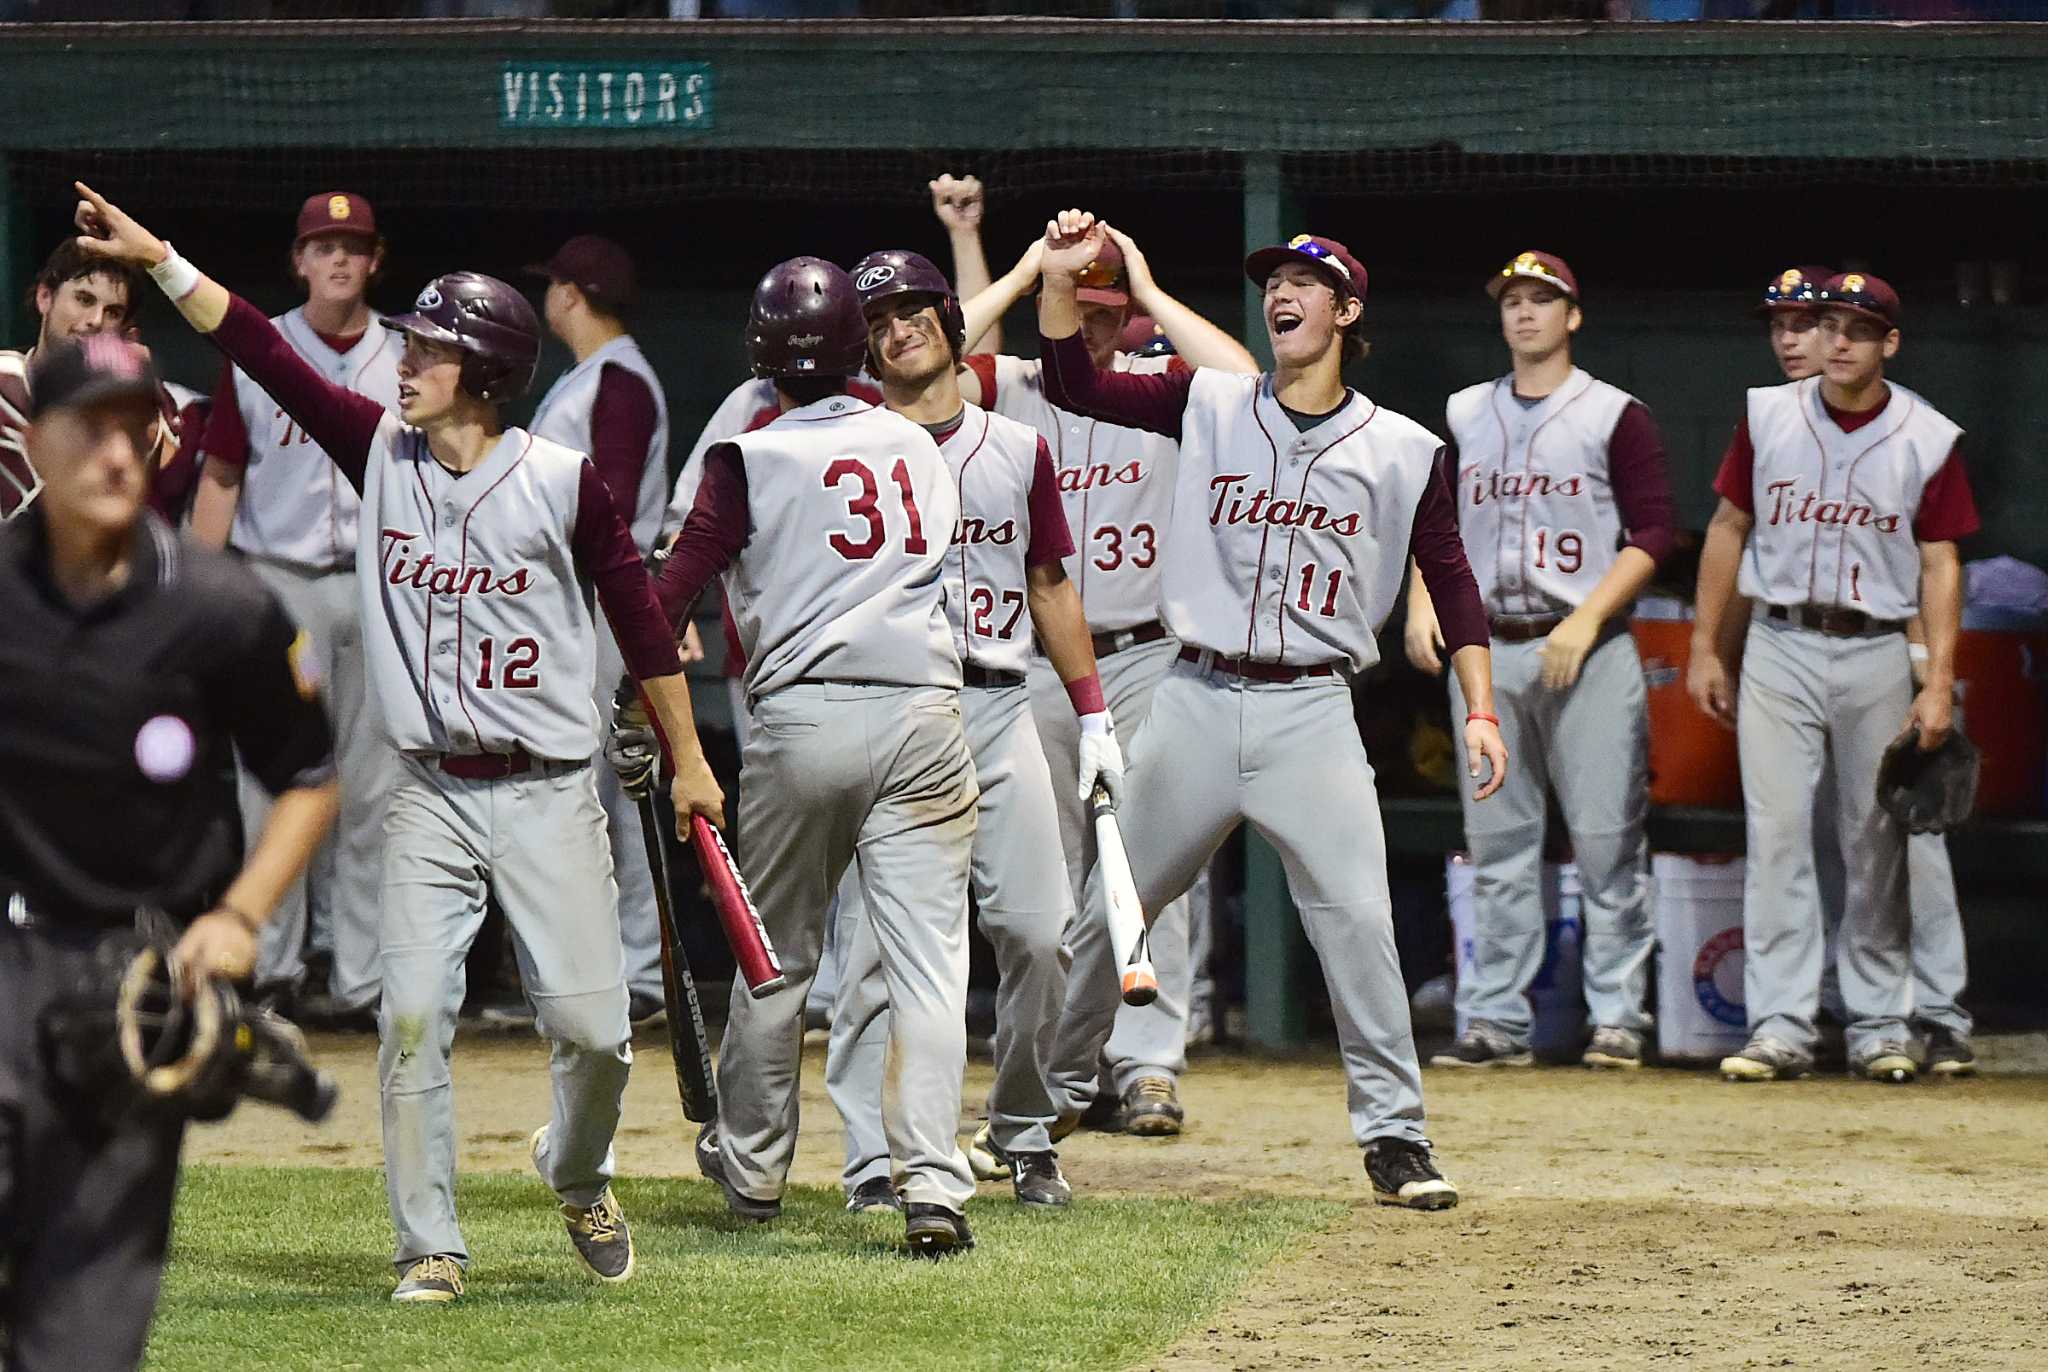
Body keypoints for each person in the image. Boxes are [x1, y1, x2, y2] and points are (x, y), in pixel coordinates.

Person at [72, 181, 722, 1299]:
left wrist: (692, 760)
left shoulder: (562, 484)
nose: (403, 363)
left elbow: (644, 623)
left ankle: (574, 1170)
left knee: (594, 1033)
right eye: (408, 343)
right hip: (425, 789)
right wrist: (164, 256)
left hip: (549, 788)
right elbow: (264, 356)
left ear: (480, 370)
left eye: (427, 349)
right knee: (412, 1015)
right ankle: (429, 1240)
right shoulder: (377, 448)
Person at [1033, 213, 1506, 1207]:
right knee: (1103, 918)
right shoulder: (1207, 402)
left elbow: (1451, 578)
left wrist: (1478, 707)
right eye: (1272, 283)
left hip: (1311, 713)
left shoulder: (1404, 448)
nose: (1280, 294)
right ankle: (1043, 1107)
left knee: (1359, 927)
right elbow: (1077, 384)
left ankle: (1395, 1137)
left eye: (1304, 282)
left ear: (1344, 311)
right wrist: (1096, 287)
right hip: (1195, 695)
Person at [0, 332, 338, 1371]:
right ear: (34, 442)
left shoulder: (218, 608)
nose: (113, 454)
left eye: (131, 429)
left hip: (135, 989)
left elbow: (311, 776)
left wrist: (239, 917)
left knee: (83, 1338)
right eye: (85, 428)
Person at [653, 257, 982, 1255]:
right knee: (930, 968)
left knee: (775, 958)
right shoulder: (922, 445)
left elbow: (664, 600)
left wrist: (650, 719)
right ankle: (933, 1187)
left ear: (762, 356)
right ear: (856, 348)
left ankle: (753, 1173)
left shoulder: (746, 457)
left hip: (802, 721)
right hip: (927, 714)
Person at [946, 190, 1258, 1136]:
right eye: (1077, 303)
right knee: (1045, 876)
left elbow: (1246, 379)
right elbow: (924, 361)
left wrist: (1149, 290)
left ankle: (1151, 1063)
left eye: (1107, 305)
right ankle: (1054, 1065)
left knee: (1152, 857)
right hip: (1032, 665)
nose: (1093, 318)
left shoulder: (1163, 387)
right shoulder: (1013, 388)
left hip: (1145, 654)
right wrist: (998, 258)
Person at [824, 249, 1120, 1212]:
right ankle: (871, 1156)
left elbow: (1048, 584)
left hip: (999, 705)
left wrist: (1092, 712)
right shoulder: (845, 444)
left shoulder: (1015, 446)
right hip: (890, 708)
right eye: (880, 319)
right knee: (872, 952)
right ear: (863, 347)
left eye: (916, 309)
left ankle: (1024, 1125)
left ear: (953, 324)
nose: (900, 327)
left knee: (1040, 932)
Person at [1688, 270, 1977, 1085]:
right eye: (1831, 324)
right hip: (1779, 640)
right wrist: (1708, 645)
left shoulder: (1926, 434)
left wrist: (1937, 681)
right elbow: (1727, 526)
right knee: (1776, 835)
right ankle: (1780, 1023)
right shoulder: (1767, 414)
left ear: (1890, 342)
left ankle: (1880, 1023)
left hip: (1877, 645)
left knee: (1873, 837)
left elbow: (1940, 562)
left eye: (1859, 327)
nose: (1839, 340)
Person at [1412, 251, 1675, 1071]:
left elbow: (1655, 535)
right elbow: (1431, 520)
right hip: (1489, 649)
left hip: (1584, 649)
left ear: (1573, 316)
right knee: (1497, 846)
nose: (1525, 313)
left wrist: (1589, 617)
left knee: (1606, 845)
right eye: (1513, 301)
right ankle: (1496, 1022)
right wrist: (1424, 604)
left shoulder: (1613, 413)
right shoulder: (1464, 411)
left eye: (1542, 300)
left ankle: (1618, 1019)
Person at [188, 192, 402, 1025]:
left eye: (354, 246)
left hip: (377, 585)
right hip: (278, 585)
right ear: (299, 260)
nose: (340, 259)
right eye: (324, 246)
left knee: (375, 787)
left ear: (376, 260)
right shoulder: (256, 353)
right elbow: (220, 479)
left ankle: (362, 981)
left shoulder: (410, 356)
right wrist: (197, 606)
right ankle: (270, 967)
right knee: (270, 784)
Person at [526, 233, 675, 1024]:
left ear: (573, 294)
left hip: (601, 606)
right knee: (597, 787)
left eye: (552, 284)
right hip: (584, 604)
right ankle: (621, 971)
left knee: (609, 789)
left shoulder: (616, 379)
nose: (547, 296)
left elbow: (608, 502)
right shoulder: (596, 377)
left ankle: (641, 972)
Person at [2, 240, 150, 521]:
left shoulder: (131, 410)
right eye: (84, 299)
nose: (95, 320)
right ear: (45, 297)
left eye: (113, 312)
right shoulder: (3, 379)